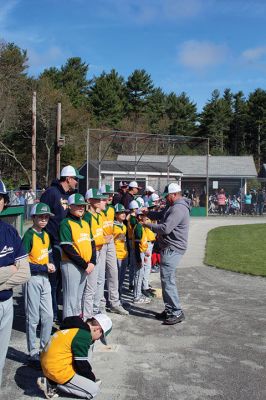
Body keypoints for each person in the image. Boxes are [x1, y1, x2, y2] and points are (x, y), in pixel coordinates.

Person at [40, 165, 84, 323]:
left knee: (60, 282)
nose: (77, 183)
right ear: (68, 179)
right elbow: (43, 217)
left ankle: (56, 313)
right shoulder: (51, 193)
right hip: (53, 243)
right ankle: (50, 316)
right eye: (75, 179)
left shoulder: (69, 194)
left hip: (64, 243)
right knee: (53, 281)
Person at [143, 182, 190, 325]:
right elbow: (161, 214)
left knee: (168, 281)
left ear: (174, 195)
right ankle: (170, 309)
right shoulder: (173, 206)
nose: (165, 199)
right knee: (166, 281)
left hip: (173, 248)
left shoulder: (178, 208)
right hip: (170, 247)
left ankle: (176, 311)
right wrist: (147, 213)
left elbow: (165, 228)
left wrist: (148, 225)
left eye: (167, 196)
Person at [38, 313, 112, 399]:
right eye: (101, 336)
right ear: (97, 329)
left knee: (82, 374)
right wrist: (91, 379)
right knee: (93, 390)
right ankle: (52, 384)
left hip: (47, 365)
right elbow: (81, 364)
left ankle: (52, 380)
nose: (98, 339)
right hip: (56, 370)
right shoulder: (84, 335)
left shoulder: (75, 327)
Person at [0, 179, 30, 386]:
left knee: (0, 357)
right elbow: (16, 271)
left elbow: (25, 272)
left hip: (6, 302)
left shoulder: (9, 231)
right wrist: (10, 270)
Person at [22, 202, 55, 368]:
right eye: (40, 217)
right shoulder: (28, 236)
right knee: (33, 318)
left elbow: (49, 255)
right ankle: (33, 352)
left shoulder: (46, 235)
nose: (43, 220)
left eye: (46, 217)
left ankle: (44, 348)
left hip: (45, 279)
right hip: (32, 278)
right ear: (33, 217)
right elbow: (22, 263)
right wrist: (43, 267)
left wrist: (51, 264)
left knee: (48, 316)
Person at [59, 194, 96, 319]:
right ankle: (68, 328)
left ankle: (76, 324)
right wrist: (85, 265)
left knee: (78, 298)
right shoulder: (65, 223)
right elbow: (67, 248)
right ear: (70, 206)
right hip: (71, 264)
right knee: (70, 299)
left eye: (83, 206)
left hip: (85, 265)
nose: (81, 208)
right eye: (78, 205)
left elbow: (92, 243)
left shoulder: (85, 223)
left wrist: (93, 261)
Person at [99, 185, 128, 315]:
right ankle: (100, 305)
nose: (110, 196)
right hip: (100, 243)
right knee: (100, 276)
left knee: (114, 272)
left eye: (111, 194)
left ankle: (115, 302)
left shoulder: (111, 209)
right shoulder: (96, 211)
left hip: (110, 243)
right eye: (106, 194)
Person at [83, 189, 106, 318]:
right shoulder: (87, 216)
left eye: (99, 199)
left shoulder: (99, 215)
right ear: (89, 200)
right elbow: (88, 238)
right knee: (90, 286)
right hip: (92, 252)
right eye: (96, 199)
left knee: (99, 281)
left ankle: (95, 308)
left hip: (100, 250)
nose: (99, 201)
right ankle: (87, 314)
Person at [132, 209, 151, 304]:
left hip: (141, 253)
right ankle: (137, 297)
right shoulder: (138, 227)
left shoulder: (141, 226)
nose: (146, 218)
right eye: (144, 216)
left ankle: (138, 294)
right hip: (138, 253)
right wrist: (139, 258)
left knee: (140, 275)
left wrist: (145, 253)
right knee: (138, 275)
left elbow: (142, 243)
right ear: (139, 217)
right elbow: (136, 245)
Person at [113, 204, 128, 300]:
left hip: (124, 254)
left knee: (122, 278)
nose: (123, 214)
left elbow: (123, 239)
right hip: (116, 255)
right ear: (116, 214)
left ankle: (120, 294)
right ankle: (116, 297)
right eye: (121, 212)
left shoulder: (124, 226)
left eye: (124, 212)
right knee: (116, 279)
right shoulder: (113, 225)